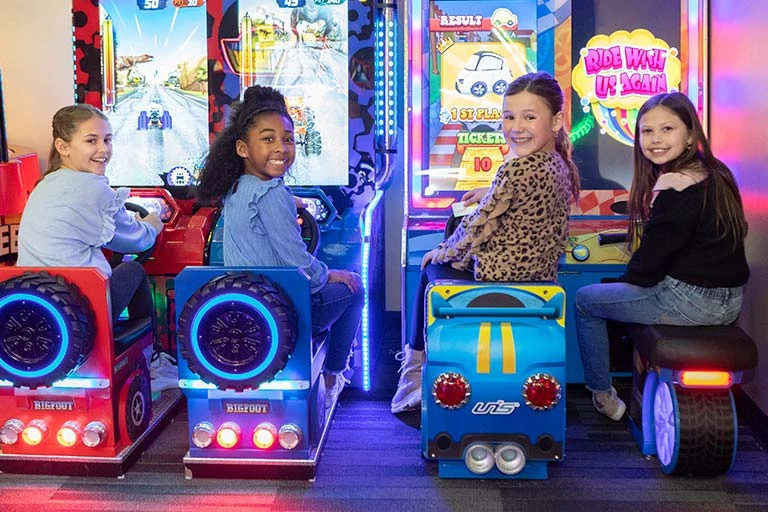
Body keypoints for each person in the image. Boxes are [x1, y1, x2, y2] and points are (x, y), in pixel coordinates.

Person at [391, 72, 581, 414]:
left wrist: (443, 250)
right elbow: (507, 202)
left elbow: (477, 228)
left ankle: (413, 371)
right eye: (509, 117)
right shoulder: (556, 162)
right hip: (539, 273)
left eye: (529, 117)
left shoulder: (518, 169)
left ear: (555, 121)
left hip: (500, 274)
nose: (516, 127)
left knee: (430, 268)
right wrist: (488, 194)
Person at [575, 92, 749, 421]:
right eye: (647, 131)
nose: (656, 140)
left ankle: (601, 394)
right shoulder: (716, 172)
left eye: (667, 129)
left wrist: (623, 280)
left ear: (690, 134)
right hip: (730, 301)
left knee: (586, 299)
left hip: (690, 301)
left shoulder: (675, 185)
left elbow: (648, 268)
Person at [196, 85, 363, 409]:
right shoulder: (272, 193)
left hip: (245, 305)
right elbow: (295, 261)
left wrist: (291, 201)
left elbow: (265, 218)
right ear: (243, 148)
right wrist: (331, 274)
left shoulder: (236, 188)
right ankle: (334, 375)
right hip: (284, 308)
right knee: (355, 288)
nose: (281, 148)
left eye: (288, 139)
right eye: (268, 139)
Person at [17, 104, 164, 326]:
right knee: (133, 269)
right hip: (79, 306)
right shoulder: (94, 189)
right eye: (91, 141)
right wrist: (152, 224)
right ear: (63, 147)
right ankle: (151, 351)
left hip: (35, 303)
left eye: (107, 140)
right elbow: (136, 240)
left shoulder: (45, 184)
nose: (103, 150)